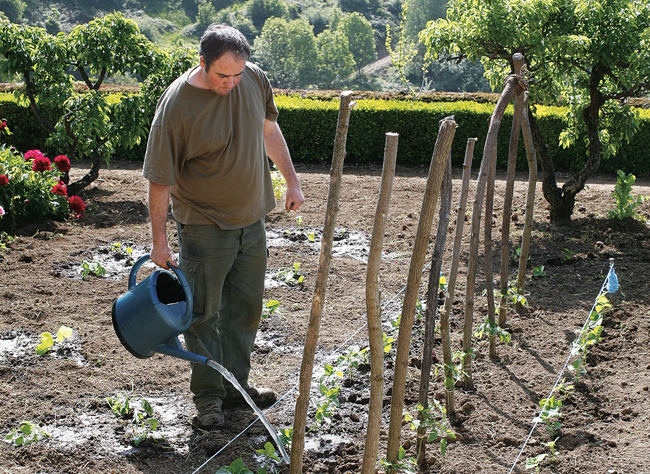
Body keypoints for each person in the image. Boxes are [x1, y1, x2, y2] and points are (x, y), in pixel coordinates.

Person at [142, 23, 304, 429]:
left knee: (245, 311)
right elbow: (159, 178)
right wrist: (159, 240)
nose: (232, 83)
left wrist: (292, 178)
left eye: (238, 74)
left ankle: (237, 389)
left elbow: (269, 129)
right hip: (204, 226)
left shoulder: (254, 78)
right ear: (202, 63)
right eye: (223, 75)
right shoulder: (178, 105)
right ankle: (209, 399)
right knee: (203, 314)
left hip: (253, 221)